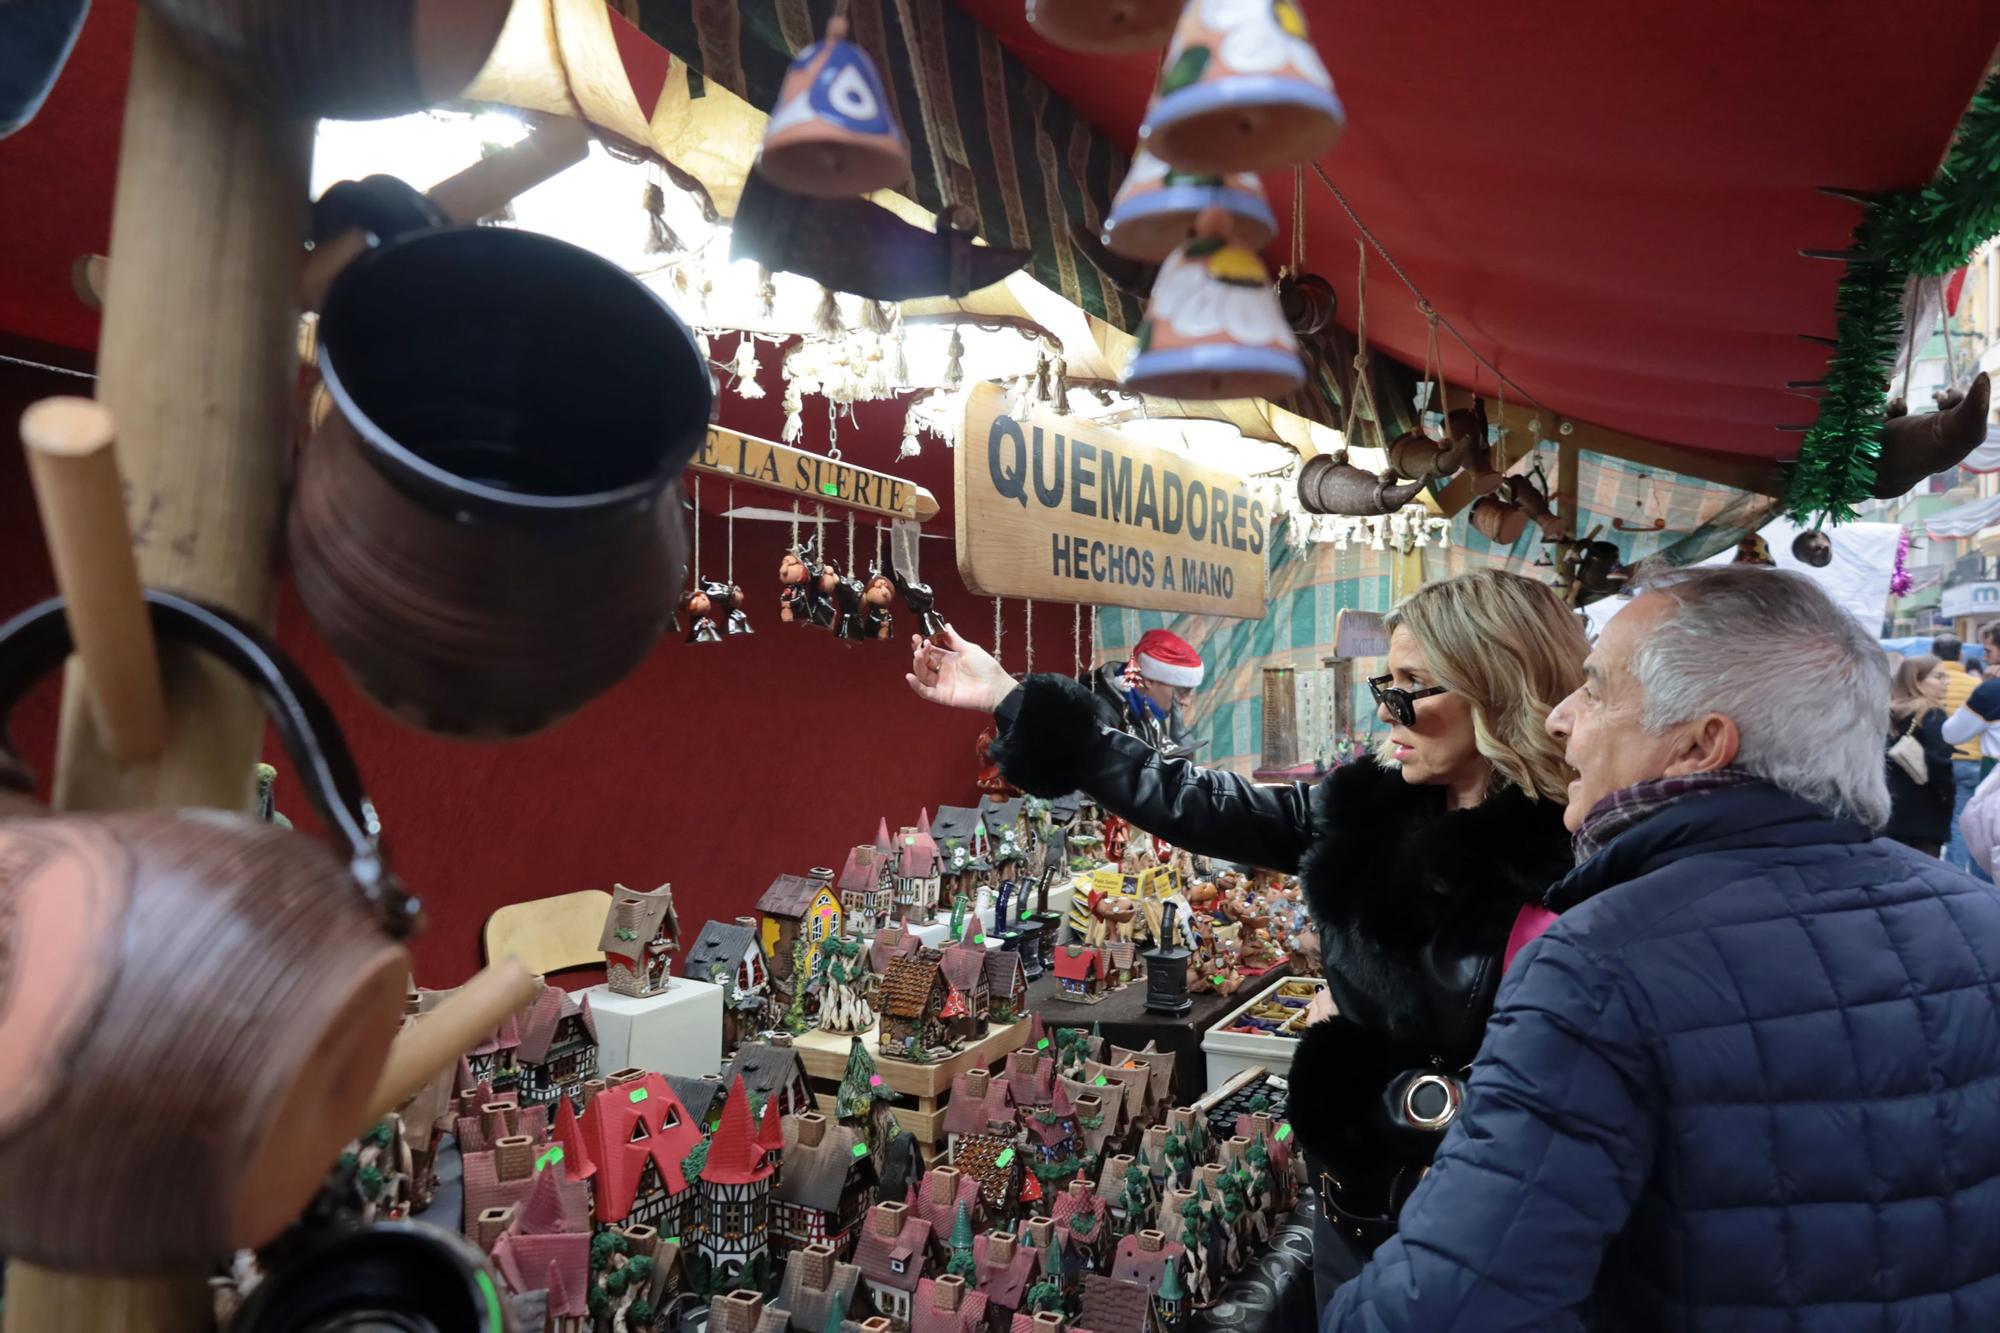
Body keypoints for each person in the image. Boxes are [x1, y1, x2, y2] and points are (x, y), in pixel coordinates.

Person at [1325, 567, 2000, 1331]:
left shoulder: (1598, 963)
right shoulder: (1983, 921)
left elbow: (1448, 1308)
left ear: (1702, 743)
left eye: (1598, 688)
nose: (1560, 717)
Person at [907, 568, 1585, 1303]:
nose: (1386, 708)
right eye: (1383, 683)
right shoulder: (1375, 808)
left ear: (1494, 688)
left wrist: (1357, 1071)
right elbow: (1199, 799)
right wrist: (1012, 697)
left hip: (1466, 1243)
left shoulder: (1564, 870)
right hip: (1352, 1212)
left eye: (1411, 685)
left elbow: (1551, 1116)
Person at [1081, 627, 1208, 758]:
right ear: (1148, 681)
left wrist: (1181, 750)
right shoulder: (1097, 715)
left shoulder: (1149, 705)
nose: (1187, 701)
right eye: (1181, 691)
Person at [1883, 653, 1956, 855]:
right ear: (1917, 681)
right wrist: (1947, 796)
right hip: (1925, 812)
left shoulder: (1889, 712)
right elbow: (1939, 761)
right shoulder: (1931, 713)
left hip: (1890, 808)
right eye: (1939, 677)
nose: (1946, 682)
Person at [1931, 632, 1984, 871]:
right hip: (1971, 761)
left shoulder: (1927, 683)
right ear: (1961, 655)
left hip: (1934, 760)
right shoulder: (1976, 685)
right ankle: (1962, 872)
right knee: (1966, 823)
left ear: (1933, 655)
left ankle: (1942, 869)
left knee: (1940, 818)